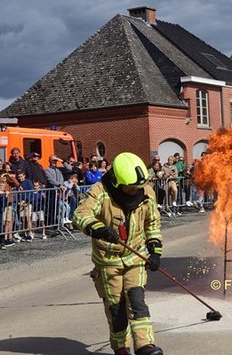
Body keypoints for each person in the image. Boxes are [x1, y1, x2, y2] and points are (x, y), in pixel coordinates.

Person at [73, 152, 164, 355]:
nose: (135, 191)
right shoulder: (101, 192)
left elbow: (152, 221)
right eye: (131, 187)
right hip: (108, 262)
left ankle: (145, 346)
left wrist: (155, 249)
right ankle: (121, 349)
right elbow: (80, 215)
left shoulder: (146, 191)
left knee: (137, 301)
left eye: (138, 187)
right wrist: (98, 228)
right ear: (116, 181)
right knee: (117, 310)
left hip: (135, 257)